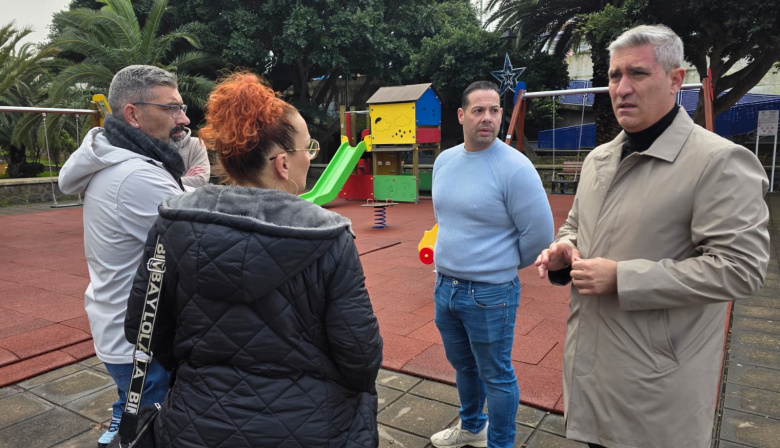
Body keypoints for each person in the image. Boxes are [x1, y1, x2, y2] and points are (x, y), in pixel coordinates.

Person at [535, 24, 770, 448]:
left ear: (676, 80)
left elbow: (741, 269)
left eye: (638, 74)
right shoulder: (599, 159)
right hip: (592, 374)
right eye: (614, 75)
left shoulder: (719, 162)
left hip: (658, 391)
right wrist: (565, 248)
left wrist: (622, 277)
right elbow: (576, 225)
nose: (621, 88)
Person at [124, 71, 383, 448]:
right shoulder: (329, 238)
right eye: (308, 147)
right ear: (282, 164)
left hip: (196, 422)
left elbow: (143, 326)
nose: (311, 156)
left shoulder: (172, 224)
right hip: (312, 425)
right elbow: (360, 355)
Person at [58, 65, 190, 447]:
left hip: (123, 331)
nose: (183, 119)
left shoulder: (125, 161)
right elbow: (202, 244)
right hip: (141, 342)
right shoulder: (135, 176)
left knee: (133, 415)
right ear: (133, 114)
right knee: (156, 432)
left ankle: (120, 426)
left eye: (181, 108)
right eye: (171, 108)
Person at [429, 80, 554, 448]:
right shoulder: (444, 161)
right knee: (464, 366)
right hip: (445, 288)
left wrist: (498, 265)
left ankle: (500, 444)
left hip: (491, 294)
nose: (488, 117)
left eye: (495, 110)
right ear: (461, 115)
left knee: (496, 375)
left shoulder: (515, 168)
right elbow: (446, 219)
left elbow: (539, 237)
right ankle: (472, 428)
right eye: (479, 110)